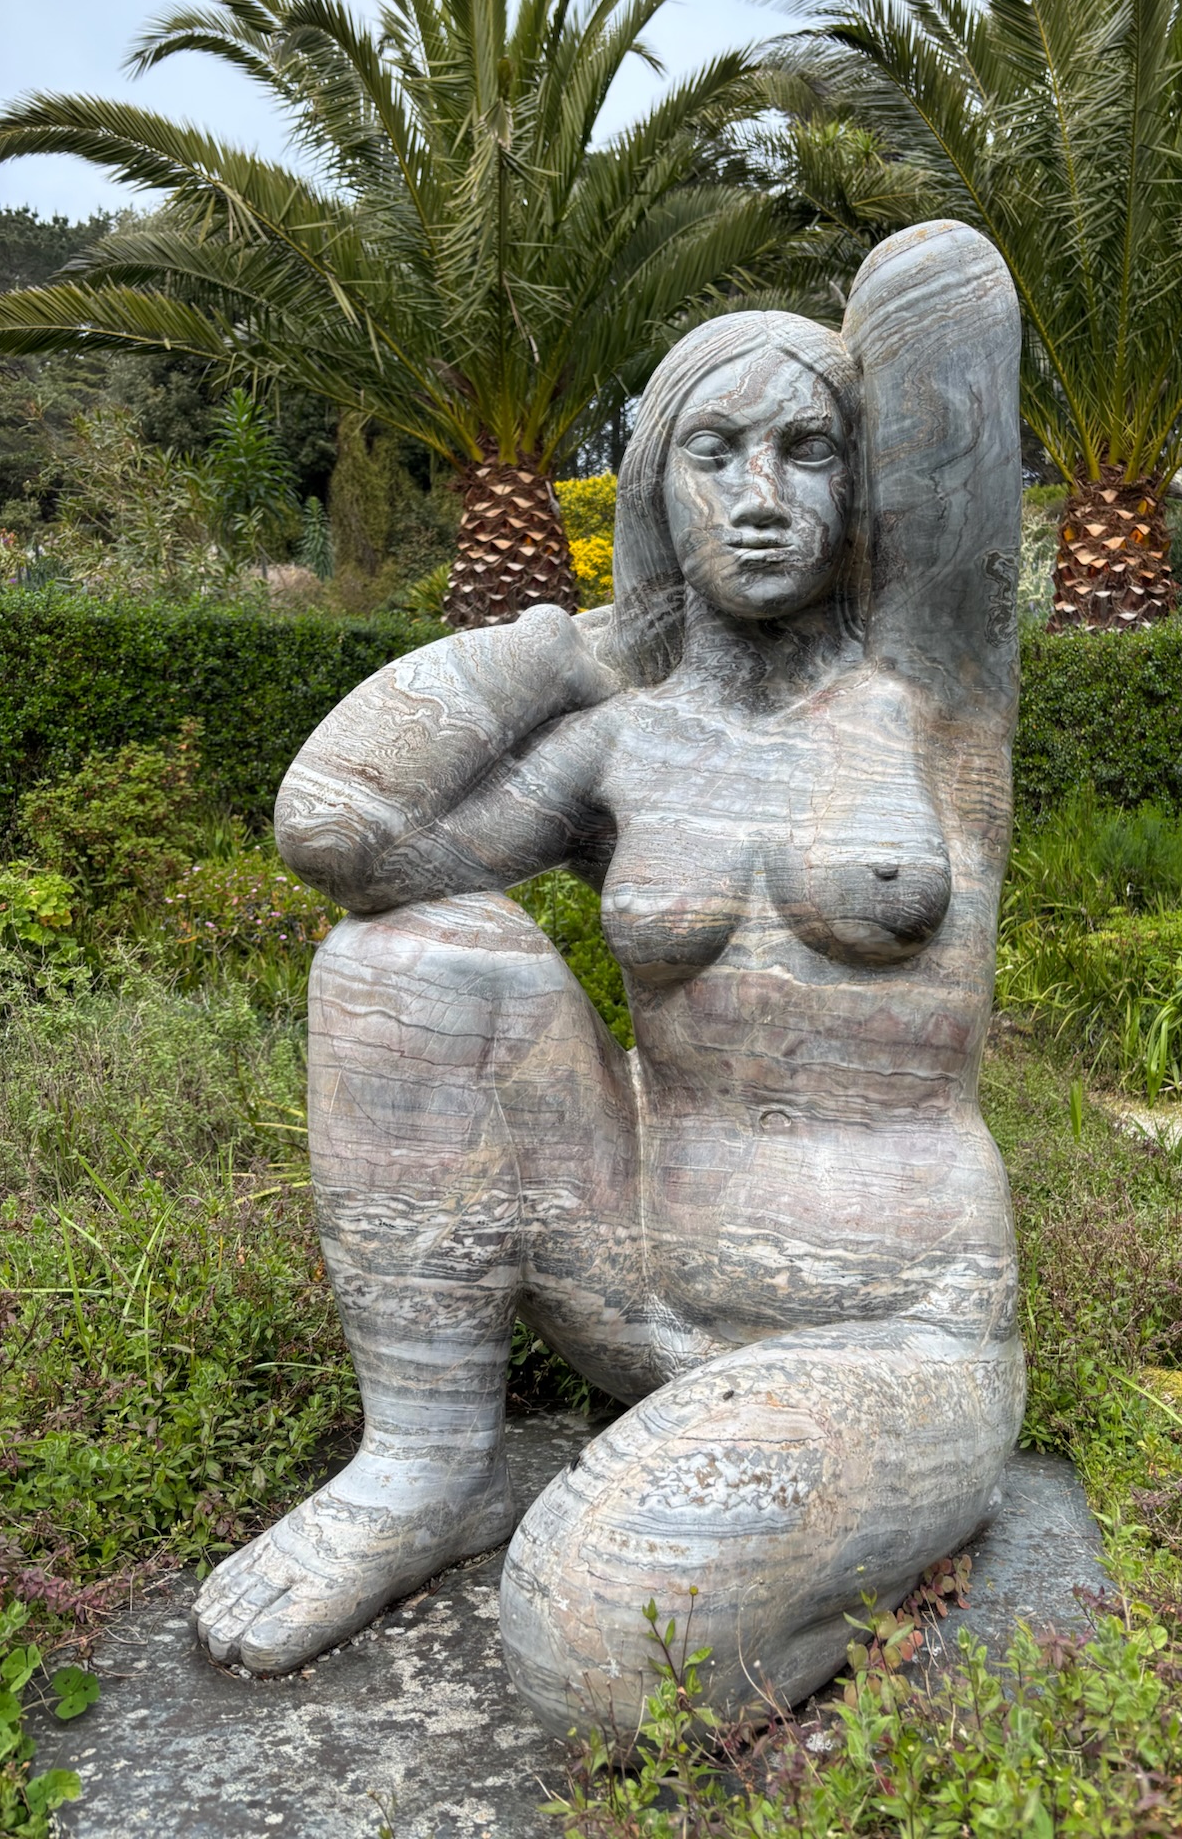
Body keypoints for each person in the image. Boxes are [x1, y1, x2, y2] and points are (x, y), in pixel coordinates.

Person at [192, 219, 1028, 1735]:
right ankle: (427, 1465)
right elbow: (340, 829)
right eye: (714, 453)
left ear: (867, 488)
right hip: (633, 1284)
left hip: (893, 1330)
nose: (762, 497)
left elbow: (945, 289)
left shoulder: (932, 695)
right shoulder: (623, 741)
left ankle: (797, 1488)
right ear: (653, 489)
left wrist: (821, 371)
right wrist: (567, 650)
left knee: (601, 1641)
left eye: (809, 451)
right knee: (407, 959)